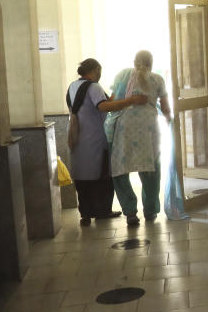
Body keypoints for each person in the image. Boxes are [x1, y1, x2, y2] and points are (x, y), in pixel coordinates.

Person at [66, 58, 146, 226]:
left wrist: (114, 98)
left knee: (82, 178)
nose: (99, 74)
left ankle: (86, 214)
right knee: (101, 176)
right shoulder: (93, 86)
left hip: (78, 139)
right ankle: (102, 211)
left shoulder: (73, 86)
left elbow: (98, 103)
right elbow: (103, 107)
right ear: (95, 69)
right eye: (98, 71)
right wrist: (131, 101)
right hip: (94, 140)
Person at [108, 50, 171, 227]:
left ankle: (130, 213)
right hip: (149, 127)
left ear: (134, 61)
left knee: (120, 170)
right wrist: (169, 121)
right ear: (151, 63)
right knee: (151, 168)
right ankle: (150, 211)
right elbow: (165, 108)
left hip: (124, 127)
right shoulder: (158, 79)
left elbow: (113, 101)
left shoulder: (122, 76)